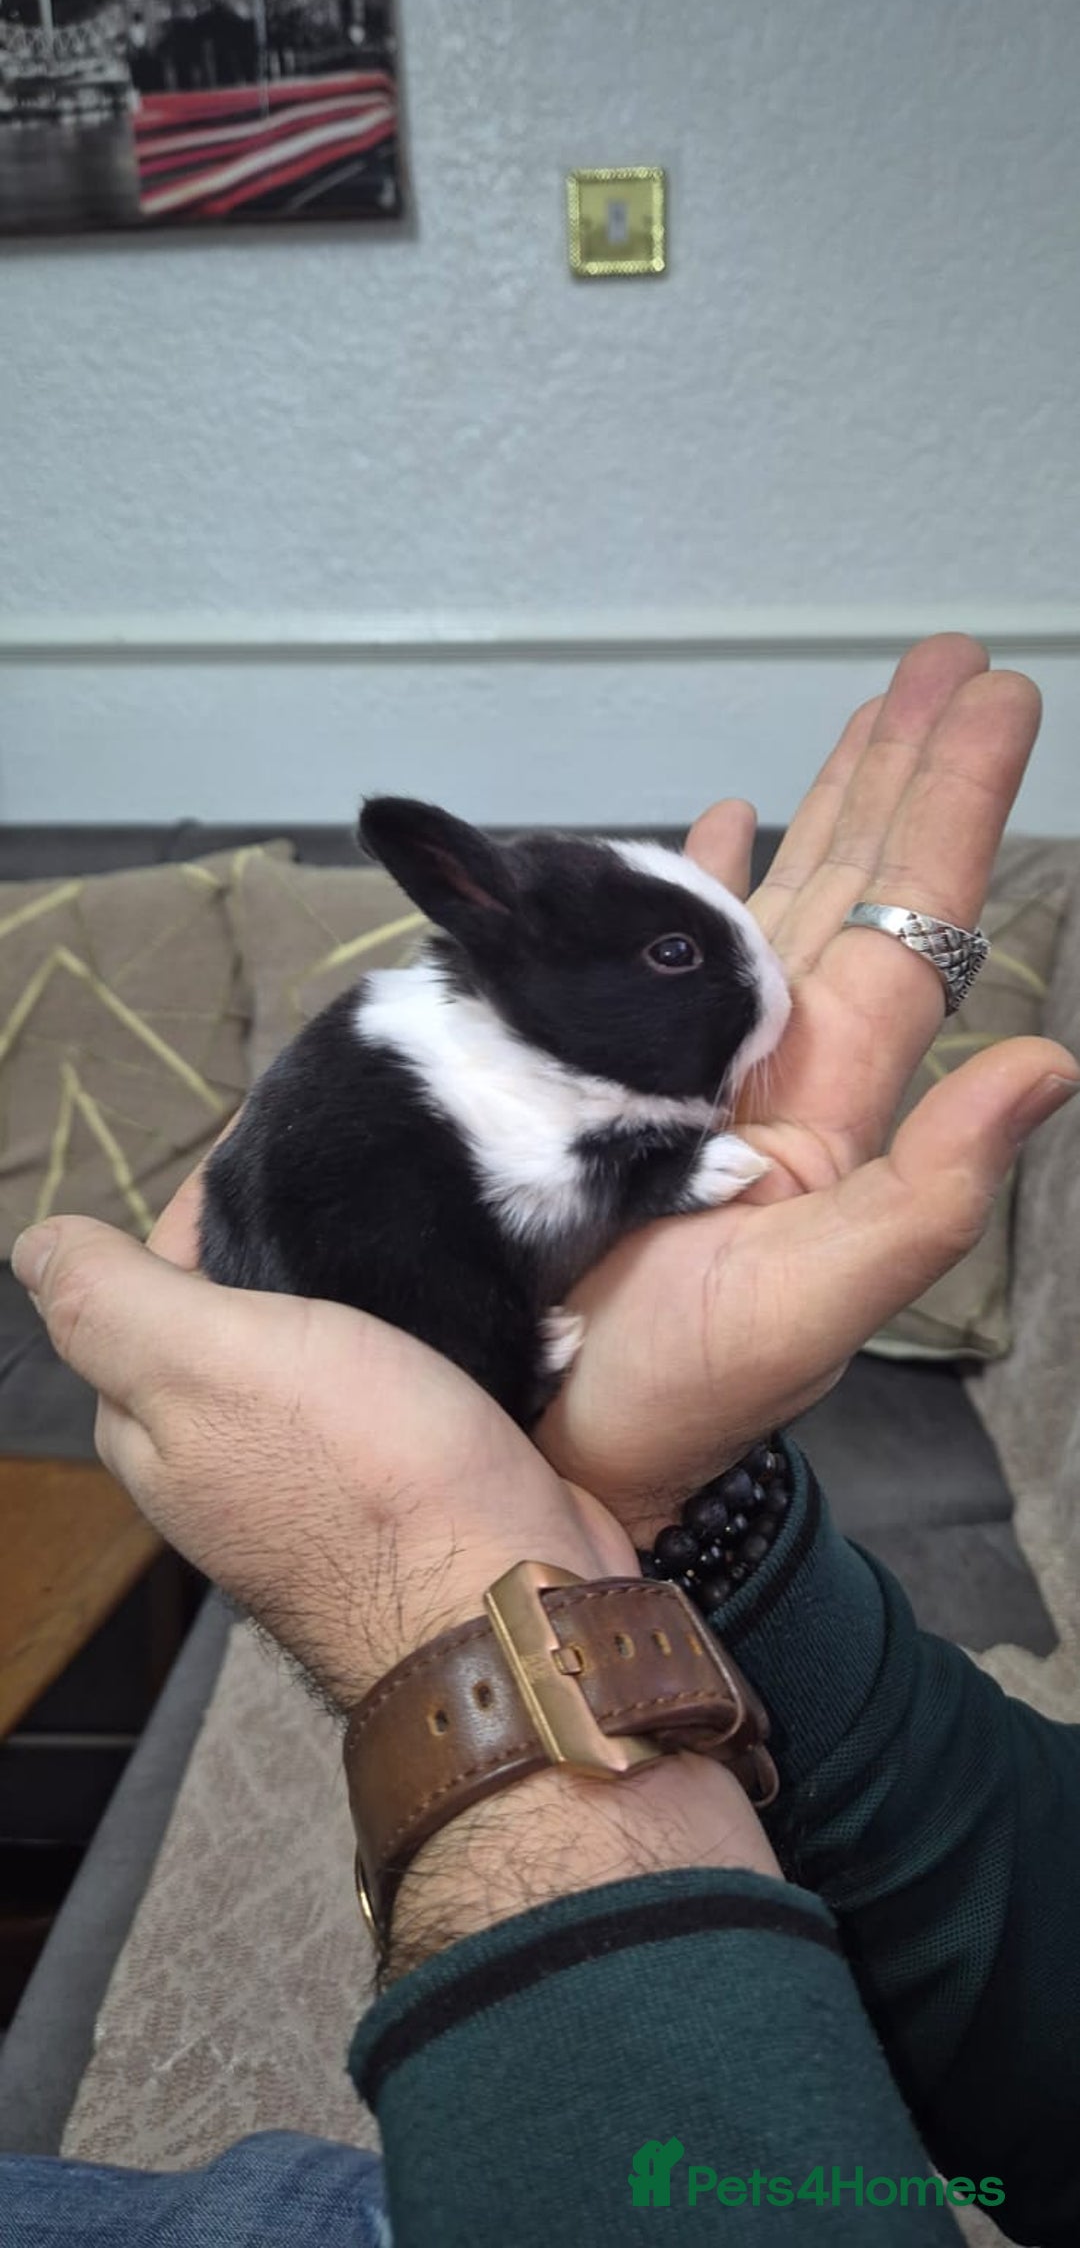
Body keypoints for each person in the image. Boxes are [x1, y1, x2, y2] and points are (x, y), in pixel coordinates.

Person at [2, 636, 1078, 2247]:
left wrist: (453, 1558)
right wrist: (664, 1506)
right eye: (672, 958)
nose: (745, 1006)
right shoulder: (453, 1084)